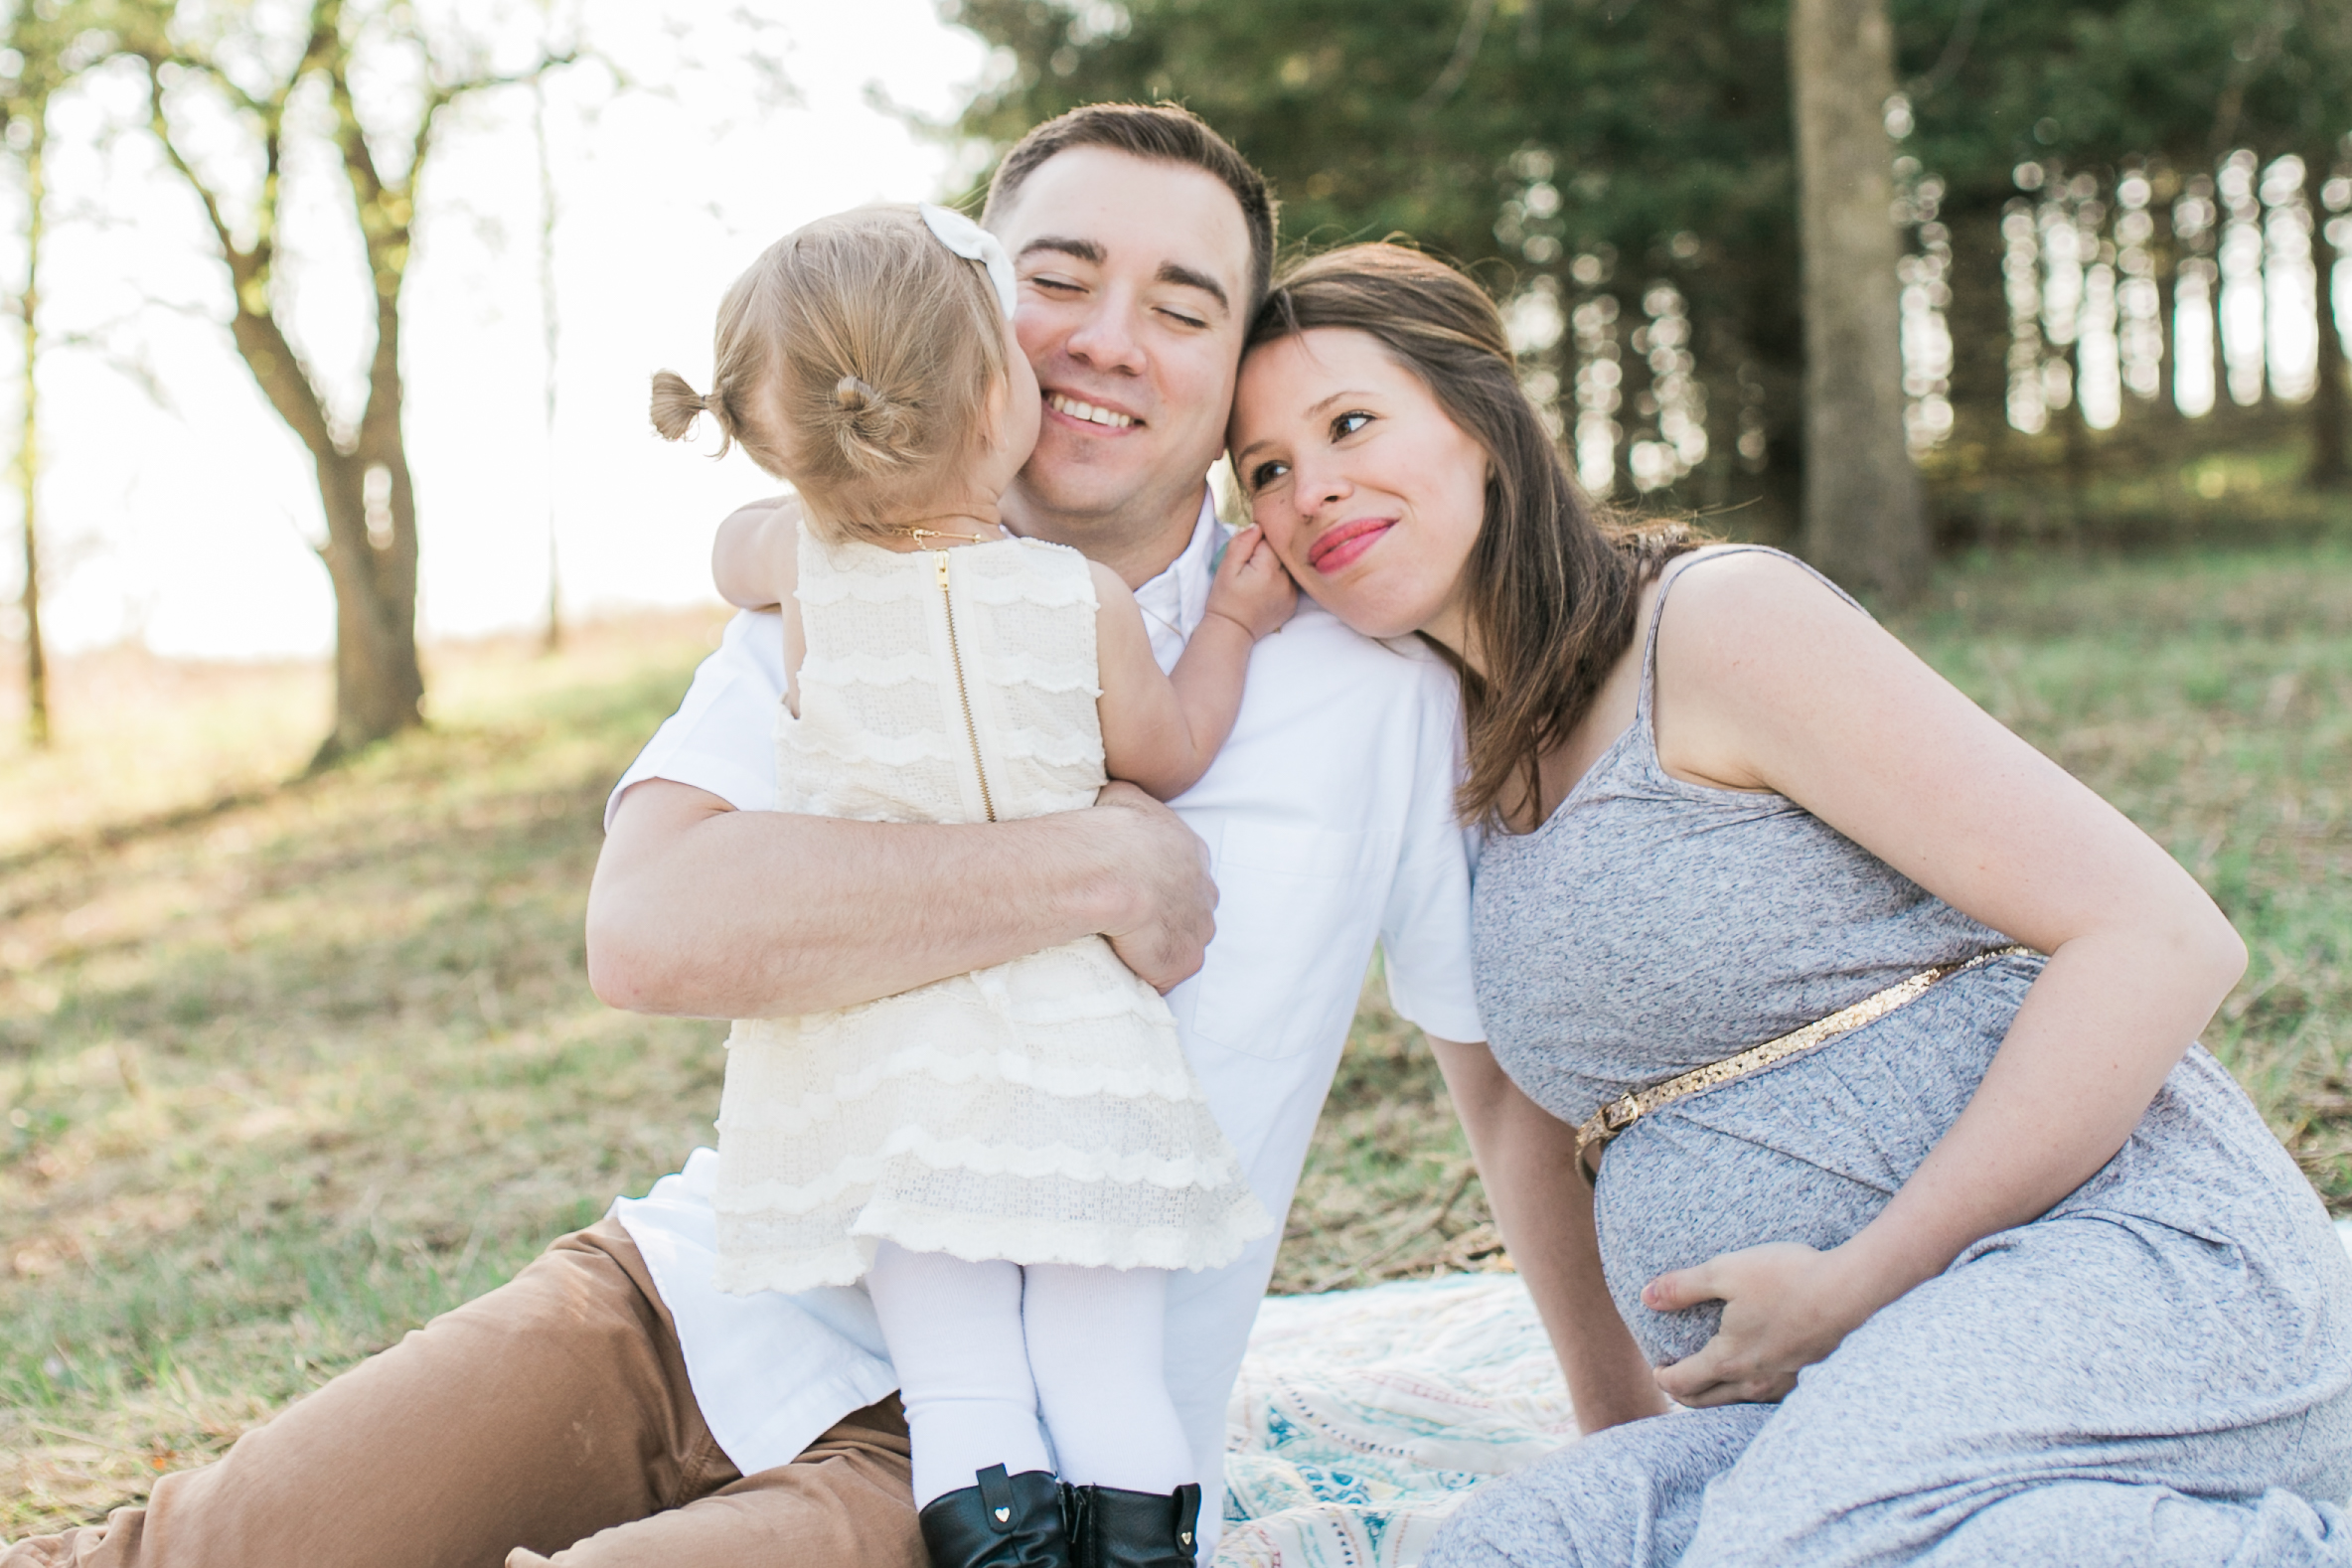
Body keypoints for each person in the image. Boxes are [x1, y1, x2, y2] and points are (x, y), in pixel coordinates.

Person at [0, 105, 1524, 1568]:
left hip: (1003, 1453)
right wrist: (1094, 866)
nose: (1108, 337)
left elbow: (1498, 1092)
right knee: (182, 1552)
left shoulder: (1362, 686)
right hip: (690, 1296)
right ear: (975, 312)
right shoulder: (827, 590)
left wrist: (1627, 1423)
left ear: (1233, 362)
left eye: (1182, 307)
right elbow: (651, 925)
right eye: (1058, 280)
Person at [1222, 240, 2352, 1565]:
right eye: (1265, 471)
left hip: (2120, 1268)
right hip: (1821, 1393)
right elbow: (1513, 1110)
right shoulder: (1443, 756)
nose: (1316, 489)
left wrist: (1859, 1280)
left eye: (1349, 422)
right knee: (1521, 1543)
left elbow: (2159, 936)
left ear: (1481, 421)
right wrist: (1617, 1432)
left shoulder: (1713, 628)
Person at [644, 194, 1295, 1568]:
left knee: (960, 1386)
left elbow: (731, 547)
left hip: (890, 1082)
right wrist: (1232, 618)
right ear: (1003, 399)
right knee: (1102, 1372)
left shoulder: (800, 578)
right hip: (1075, 1058)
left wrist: (810, 496)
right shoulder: (1078, 600)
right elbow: (1167, 759)